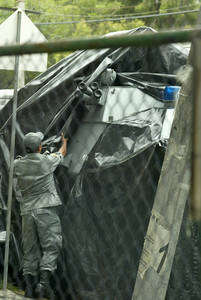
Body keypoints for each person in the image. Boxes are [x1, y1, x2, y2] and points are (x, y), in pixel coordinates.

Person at [14, 132, 68, 299]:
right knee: (51, 247)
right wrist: (64, 141)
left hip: (27, 211)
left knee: (29, 250)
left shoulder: (17, 164)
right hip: (46, 209)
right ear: (39, 147)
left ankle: (29, 288)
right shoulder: (47, 161)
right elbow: (62, 153)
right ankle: (42, 285)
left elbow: (16, 186)